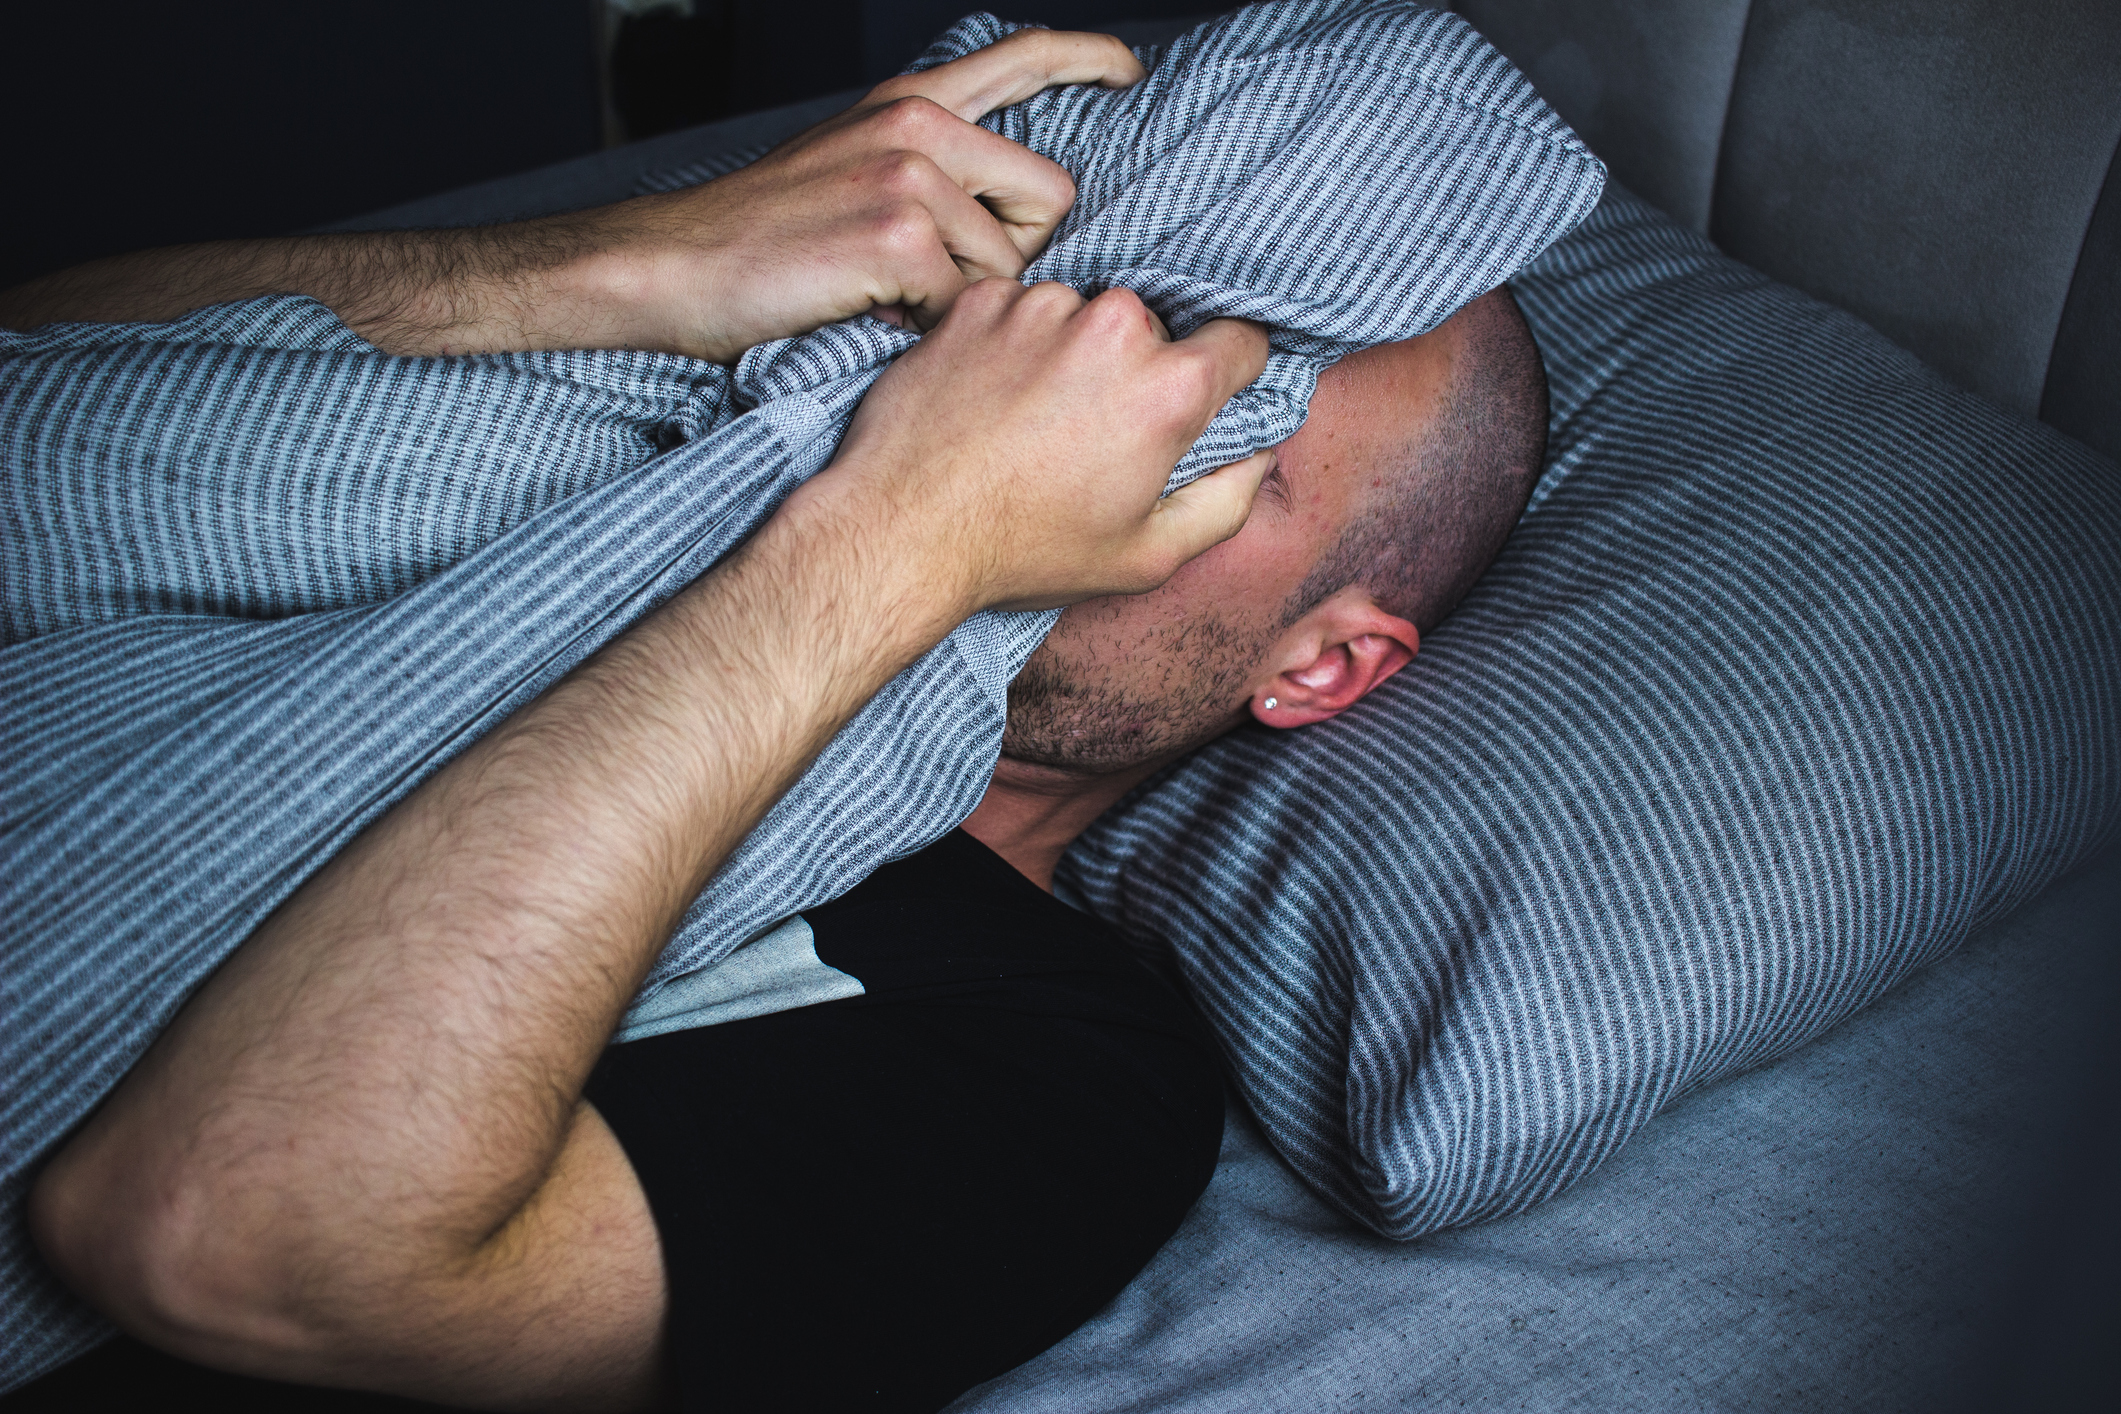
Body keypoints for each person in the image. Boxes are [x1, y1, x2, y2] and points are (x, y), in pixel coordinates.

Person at [7, 28, 1546, 1414]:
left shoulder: (1064, 1078)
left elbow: (223, 1234)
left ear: (1319, 667)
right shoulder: (652, 435)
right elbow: (37, 382)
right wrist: (630, 257)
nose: (1016, 395)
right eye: (1077, 314)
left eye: (1220, 431)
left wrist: (906, 537)